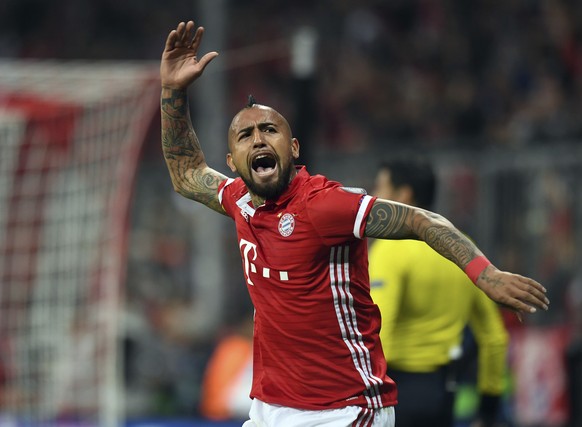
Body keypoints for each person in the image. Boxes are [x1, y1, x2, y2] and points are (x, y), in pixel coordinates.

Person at [159, 20, 549, 427]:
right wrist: (173, 89)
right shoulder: (238, 200)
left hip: (345, 409)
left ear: (292, 148)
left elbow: (417, 218)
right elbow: (186, 172)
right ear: (232, 163)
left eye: (269, 130)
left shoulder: (324, 205)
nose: (258, 139)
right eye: (245, 135)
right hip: (271, 409)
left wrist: (485, 275)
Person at [368, 159, 510, 427]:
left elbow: (378, 327)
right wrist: (489, 407)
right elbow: (494, 337)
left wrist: (358, 393)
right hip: (445, 395)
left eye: (381, 187)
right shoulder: (463, 248)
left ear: (403, 195)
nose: (374, 197)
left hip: (396, 395)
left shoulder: (390, 250)